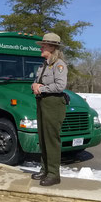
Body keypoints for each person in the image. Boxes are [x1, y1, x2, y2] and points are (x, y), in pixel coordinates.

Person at [31, 33, 68, 186]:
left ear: (52, 47)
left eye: (44, 45)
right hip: (42, 103)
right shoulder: (43, 64)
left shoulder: (59, 64)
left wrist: (42, 88)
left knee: (51, 139)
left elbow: (60, 86)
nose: (41, 47)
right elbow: (36, 82)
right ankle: (45, 169)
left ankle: (54, 174)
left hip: (53, 104)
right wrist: (34, 86)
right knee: (43, 138)